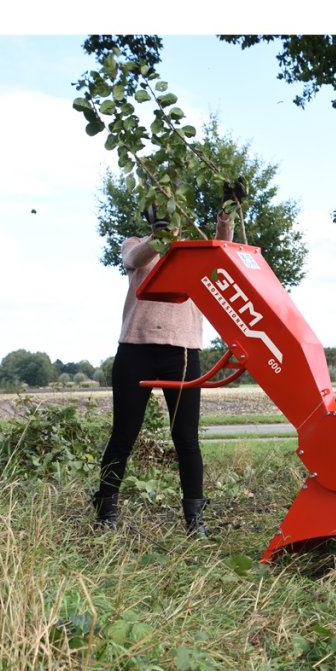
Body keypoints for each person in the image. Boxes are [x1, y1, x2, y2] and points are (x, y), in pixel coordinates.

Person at [92, 204, 232, 535]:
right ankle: (105, 513)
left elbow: (221, 250)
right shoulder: (134, 244)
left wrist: (225, 214)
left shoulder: (193, 253)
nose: (170, 221)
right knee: (123, 435)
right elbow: (135, 259)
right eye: (161, 216)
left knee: (186, 437)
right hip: (135, 349)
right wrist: (158, 236)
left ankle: (195, 520)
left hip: (182, 352)